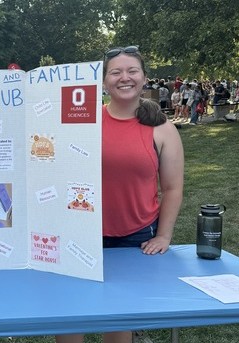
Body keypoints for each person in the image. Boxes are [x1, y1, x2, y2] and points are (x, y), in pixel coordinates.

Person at [57, 46, 184, 343]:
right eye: (115, 72)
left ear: (144, 78)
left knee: (117, 317)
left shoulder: (163, 130)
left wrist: (164, 236)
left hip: (135, 236)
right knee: (71, 311)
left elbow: (173, 187)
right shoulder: (83, 120)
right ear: (103, 82)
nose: (123, 78)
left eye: (131, 71)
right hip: (81, 233)